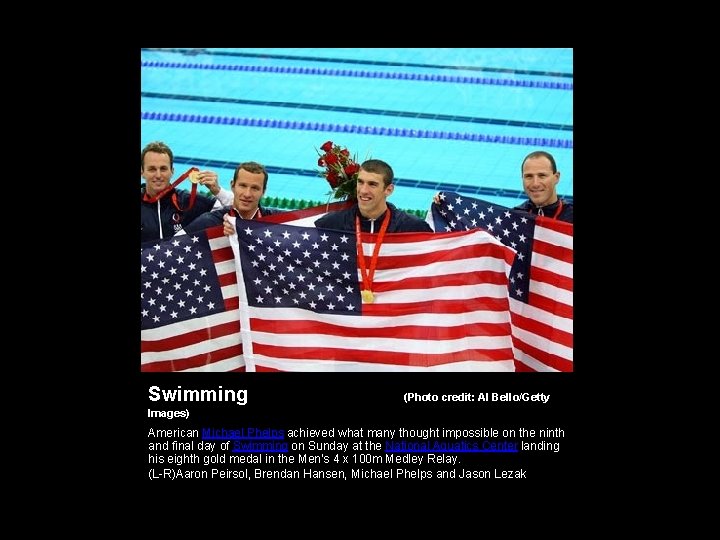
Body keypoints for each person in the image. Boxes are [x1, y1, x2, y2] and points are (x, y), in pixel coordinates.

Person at [140, 141, 234, 242]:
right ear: (142, 172)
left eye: (163, 169)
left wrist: (218, 191)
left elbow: (240, 208)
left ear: (172, 171)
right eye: (152, 169)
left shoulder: (188, 201)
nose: (158, 175)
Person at [314, 159, 433, 233]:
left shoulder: (411, 227)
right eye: (360, 182)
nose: (363, 190)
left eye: (372, 184)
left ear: (388, 190)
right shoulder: (332, 224)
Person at [184, 161, 279, 234]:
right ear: (232, 186)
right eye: (242, 186)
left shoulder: (278, 221)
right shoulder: (209, 222)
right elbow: (173, 249)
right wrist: (218, 237)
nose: (247, 194)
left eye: (255, 188)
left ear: (263, 191)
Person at [514, 150, 573, 223]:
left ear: (556, 178)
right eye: (529, 176)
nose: (535, 184)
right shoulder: (514, 217)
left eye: (542, 176)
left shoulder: (570, 215)